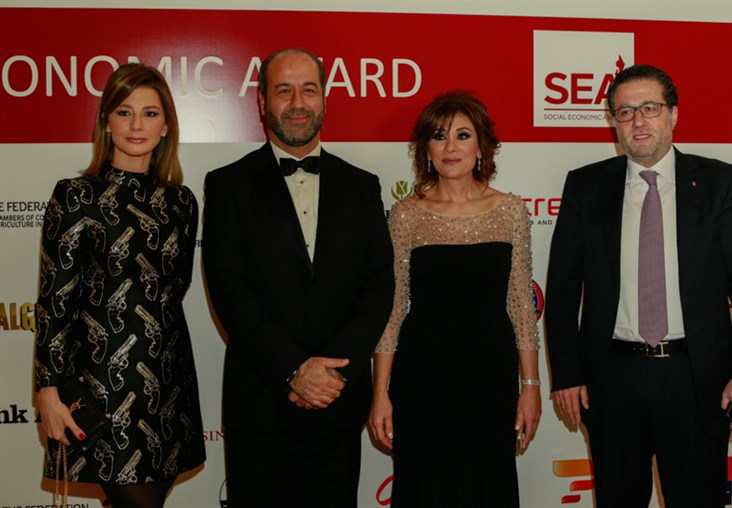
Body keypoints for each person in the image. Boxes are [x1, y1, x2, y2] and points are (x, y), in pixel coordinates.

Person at [545, 64, 732, 507]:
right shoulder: (586, 186)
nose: (638, 121)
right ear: (613, 122)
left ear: (673, 114)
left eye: (650, 108)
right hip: (611, 380)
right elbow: (562, 289)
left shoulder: (720, 182)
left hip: (698, 380)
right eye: (625, 112)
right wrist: (567, 374)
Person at [202, 47, 394, 508]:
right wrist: (294, 370)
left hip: (337, 402)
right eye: (283, 90)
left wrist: (331, 373)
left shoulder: (362, 185)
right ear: (262, 102)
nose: (297, 103)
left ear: (324, 98)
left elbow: (378, 286)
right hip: (261, 401)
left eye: (308, 90)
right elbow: (228, 287)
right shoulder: (227, 185)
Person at [34, 62, 206, 508]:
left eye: (150, 114)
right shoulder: (76, 196)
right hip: (103, 389)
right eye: (124, 112)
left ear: (166, 126)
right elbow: (55, 301)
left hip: (170, 388)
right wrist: (48, 391)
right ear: (106, 122)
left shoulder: (181, 202)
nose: (136, 125)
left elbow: (175, 290)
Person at [368, 90, 542, 507]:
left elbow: (521, 305)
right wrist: (380, 392)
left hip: (490, 379)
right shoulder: (407, 214)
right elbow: (393, 309)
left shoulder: (510, 210)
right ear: (425, 148)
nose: (450, 147)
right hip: (422, 379)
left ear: (481, 147)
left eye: (463, 135)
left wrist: (530, 385)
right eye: (439, 135)